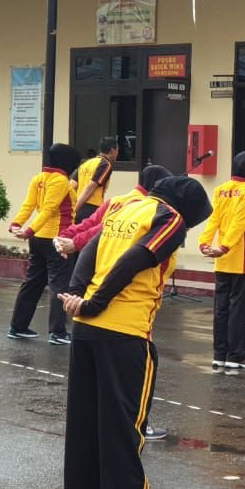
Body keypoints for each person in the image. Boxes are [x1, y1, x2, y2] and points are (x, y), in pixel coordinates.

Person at [58, 176, 212, 489]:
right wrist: (97, 302)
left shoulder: (126, 207)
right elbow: (137, 258)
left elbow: (91, 248)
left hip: (86, 330)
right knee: (124, 431)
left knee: (85, 428)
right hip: (124, 334)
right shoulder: (170, 218)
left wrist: (78, 295)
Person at [55, 164, 173, 444]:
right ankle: (137, 425)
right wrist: (75, 242)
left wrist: (70, 237)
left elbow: (91, 225)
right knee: (128, 377)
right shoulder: (154, 212)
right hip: (124, 305)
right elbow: (100, 232)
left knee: (97, 383)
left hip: (92, 293)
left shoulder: (117, 200)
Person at [9, 143, 81, 344]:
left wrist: (17, 224)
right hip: (58, 238)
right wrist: (28, 231)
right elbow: (49, 209)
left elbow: (29, 205)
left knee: (33, 282)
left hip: (39, 239)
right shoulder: (61, 181)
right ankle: (57, 332)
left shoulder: (39, 178)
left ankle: (18, 326)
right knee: (60, 283)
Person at [200, 152, 245, 371]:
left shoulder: (221, 189)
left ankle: (220, 354)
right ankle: (236, 356)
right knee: (240, 309)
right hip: (242, 258)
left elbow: (214, 219)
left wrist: (205, 242)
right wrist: (225, 247)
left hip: (222, 259)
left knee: (222, 308)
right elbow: (241, 222)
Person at [73, 138, 118, 224]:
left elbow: (72, 184)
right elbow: (90, 188)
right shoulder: (106, 165)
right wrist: (75, 209)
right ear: (112, 150)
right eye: (117, 150)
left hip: (78, 204)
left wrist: (73, 207)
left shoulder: (85, 163)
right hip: (92, 208)